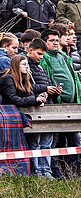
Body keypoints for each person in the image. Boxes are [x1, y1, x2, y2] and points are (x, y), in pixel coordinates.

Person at [26, 40, 58, 177]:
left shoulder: (41, 67)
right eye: (39, 54)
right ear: (30, 50)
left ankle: (47, 170)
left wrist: (55, 91)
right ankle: (37, 171)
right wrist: (45, 89)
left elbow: (48, 83)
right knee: (35, 143)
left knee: (47, 143)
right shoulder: (26, 66)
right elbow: (25, 86)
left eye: (43, 54)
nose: (41, 57)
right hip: (34, 109)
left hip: (47, 108)